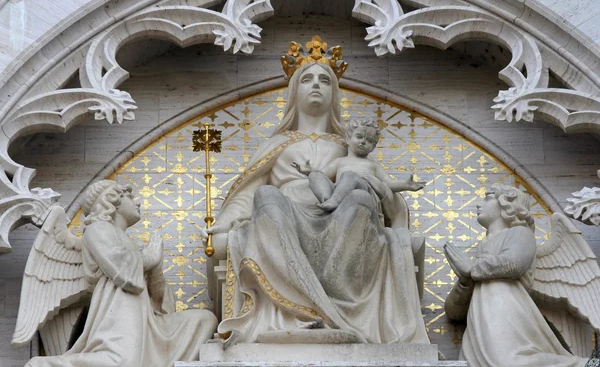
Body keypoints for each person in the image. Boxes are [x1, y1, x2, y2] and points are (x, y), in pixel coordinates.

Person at [204, 62, 429, 344]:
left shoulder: (349, 146)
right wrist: (221, 224)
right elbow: (249, 193)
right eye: (307, 79)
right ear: (293, 92)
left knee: (359, 197)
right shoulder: (276, 144)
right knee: (266, 197)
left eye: (325, 80)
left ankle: (337, 307)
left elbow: (383, 192)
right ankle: (302, 306)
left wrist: (383, 194)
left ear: (334, 94)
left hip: (339, 220)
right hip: (287, 219)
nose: (316, 84)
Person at [26, 180, 217, 367]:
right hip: (119, 306)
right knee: (123, 361)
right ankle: (48, 364)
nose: (138, 202)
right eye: (130, 196)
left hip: (148, 317)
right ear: (111, 201)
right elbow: (123, 273)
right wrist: (149, 259)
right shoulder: (96, 230)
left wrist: (156, 266)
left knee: (204, 320)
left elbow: (158, 299)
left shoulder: (126, 240)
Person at [444, 185, 588, 367]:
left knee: (510, 361)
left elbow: (513, 264)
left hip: (506, 307)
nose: (479, 205)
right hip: (480, 322)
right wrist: (464, 282)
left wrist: (472, 269)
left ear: (507, 204)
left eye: (487, 198)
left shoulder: (520, 233)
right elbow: (454, 312)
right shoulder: (482, 249)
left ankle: (577, 364)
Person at [291, 117, 425, 211]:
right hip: (338, 192)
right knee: (315, 176)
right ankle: (327, 201)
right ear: (348, 139)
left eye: (369, 140)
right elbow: (323, 176)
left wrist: (406, 185)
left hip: (363, 193)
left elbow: (387, 182)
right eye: (359, 137)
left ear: (373, 147)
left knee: (350, 176)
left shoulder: (372, 165)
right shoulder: (340, 162)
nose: (363, 142)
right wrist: (310, 171)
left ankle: (334, 202)